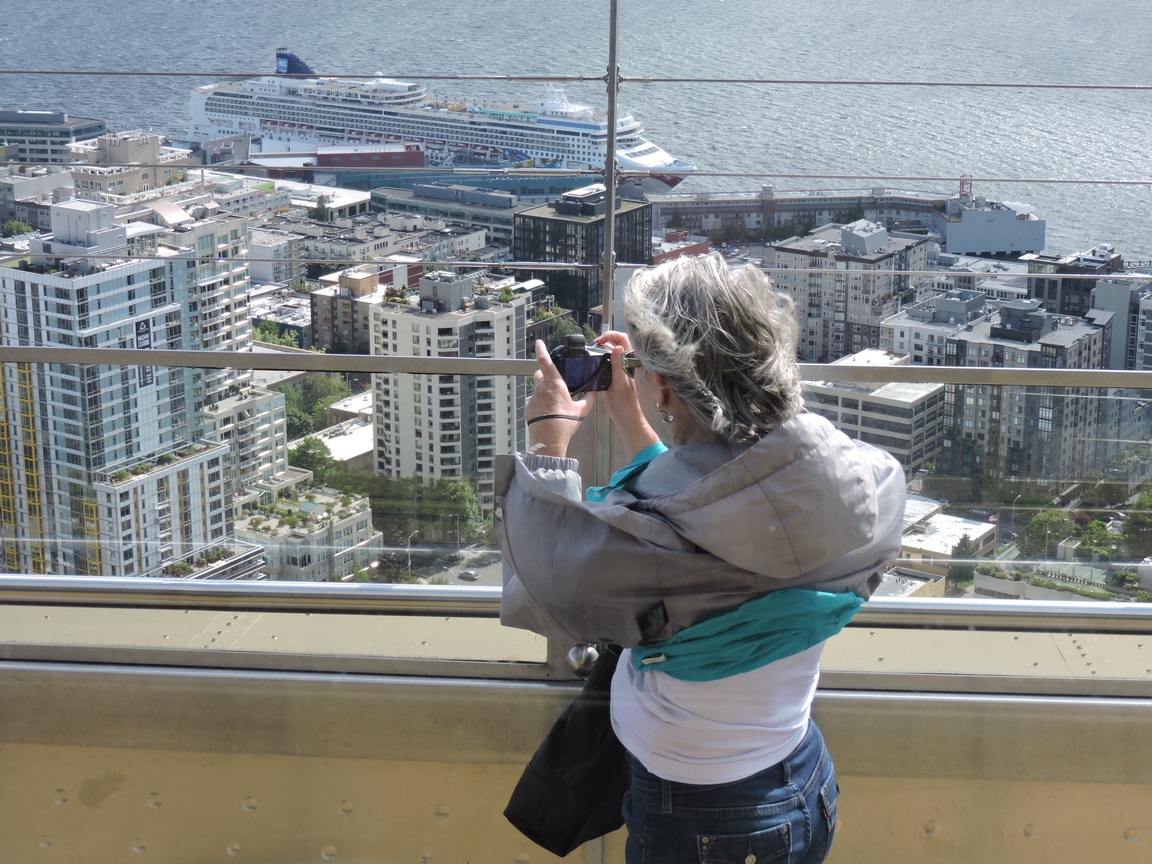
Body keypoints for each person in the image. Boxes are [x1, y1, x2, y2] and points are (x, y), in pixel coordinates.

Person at [495, 252, 905, 864]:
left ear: (664, 385)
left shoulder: (656, 547)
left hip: (700, 815)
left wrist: (549, 440)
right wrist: (634, 418)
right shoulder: (865, 483)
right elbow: (720, 507)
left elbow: (550, 585)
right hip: (802, 774)